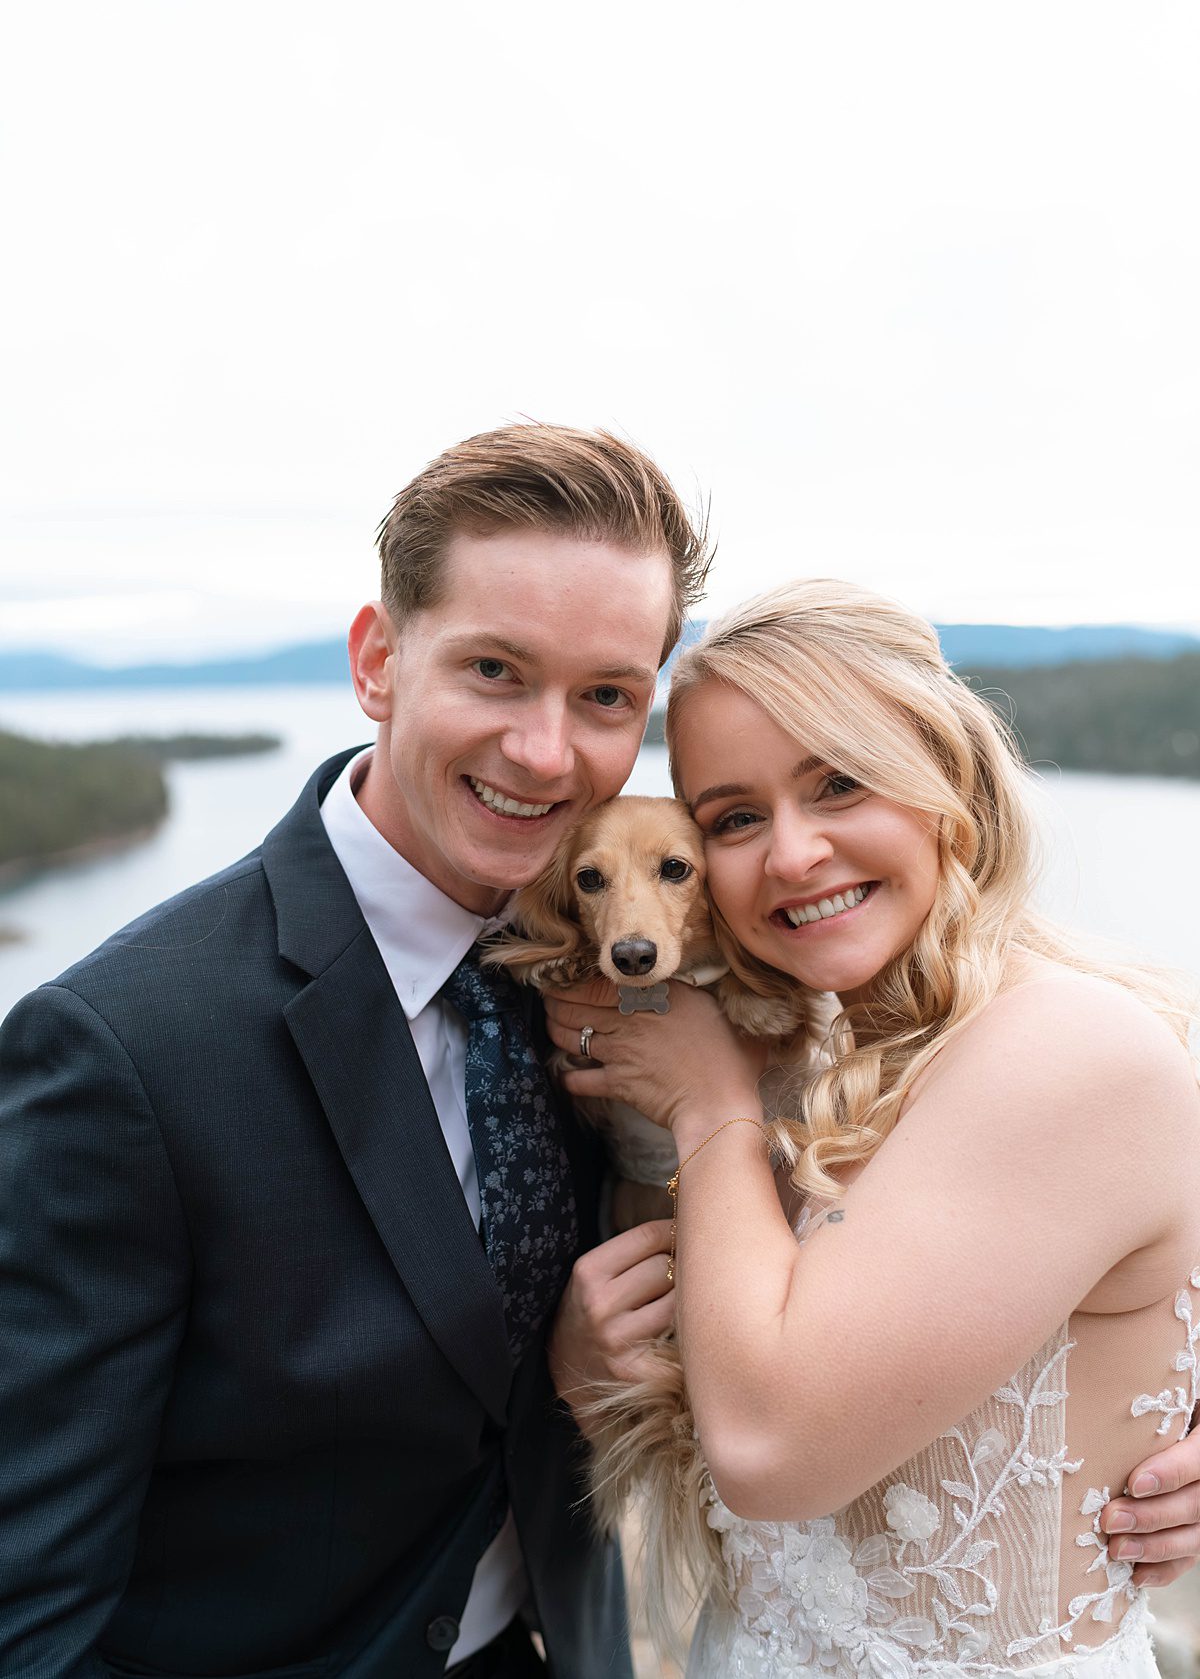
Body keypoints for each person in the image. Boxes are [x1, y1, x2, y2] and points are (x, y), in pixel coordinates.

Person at [0, 425, 703, 1677]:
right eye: (494, 669)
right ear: (379, 660)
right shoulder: (123, 1051)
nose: (547, 752)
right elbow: (29, 1600)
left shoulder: (614, 976)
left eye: (604, 695)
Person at [544, 579, 1200, 1679]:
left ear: (948, 778)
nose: (793, 854)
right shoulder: (820, 1062)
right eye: (735, 819)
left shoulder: (1067, 1044)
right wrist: (585, 1357)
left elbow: (766, 1450)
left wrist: (709, 1105)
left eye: (839, 782)